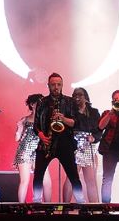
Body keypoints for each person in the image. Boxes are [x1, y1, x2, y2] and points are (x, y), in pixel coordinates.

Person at [32, 73, 83, 203]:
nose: (56, 87)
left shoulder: (70, 101)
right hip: (46, 143)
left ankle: (81, 202)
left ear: (62, 85)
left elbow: (76, 123)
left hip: (65, 142)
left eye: (58, 84)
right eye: (53, 84)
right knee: (38, 175)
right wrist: (41, 135)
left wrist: (63, 119)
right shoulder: (42, 102)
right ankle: (36, 202)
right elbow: (35, 125)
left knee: (73, 176)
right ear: (48, 85)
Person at [13, 93, 48, 203]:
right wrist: (19, 127)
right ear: (32, 104)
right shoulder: (25, 120)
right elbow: (17, 138)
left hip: (39, 152)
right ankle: (21, 207)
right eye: (39, 103)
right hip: (25, 151)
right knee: (24, 181)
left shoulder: (45, 120)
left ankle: (47, 206)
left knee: (46, 181)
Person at [72, 87, 101, 203]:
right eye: (75, 95)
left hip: (89, 148)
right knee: (71, 179)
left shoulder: (94, 112)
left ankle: (95, 208)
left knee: (91, 181)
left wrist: (94, 138)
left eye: (80, 95)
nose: (77, 97)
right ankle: (64, 208)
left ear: (85, 97)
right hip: (75, 148)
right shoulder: (71, 111)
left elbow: (99, 129)